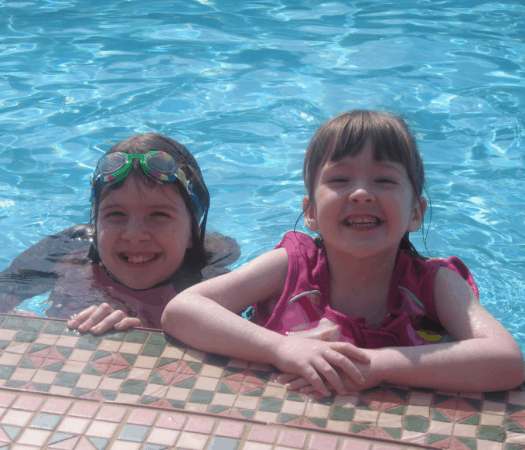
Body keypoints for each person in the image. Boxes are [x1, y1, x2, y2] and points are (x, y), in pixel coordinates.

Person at [162, 110, 525, 395]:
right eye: (339, 180)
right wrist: (279, 349)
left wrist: (378, 364)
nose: (361, 193)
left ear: (415, 213)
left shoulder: (433, 284)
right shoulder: (294, 266)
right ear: (311, 213)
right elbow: (182, 311)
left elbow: (506, 361)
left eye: (384, 180)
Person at [0, 133, 239, 334]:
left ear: (190, 233)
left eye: (159, 215)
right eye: (115, 214)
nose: (134, 234)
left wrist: (145, 338)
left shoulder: (210, 292)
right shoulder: (63, 253)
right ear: (96, 221)